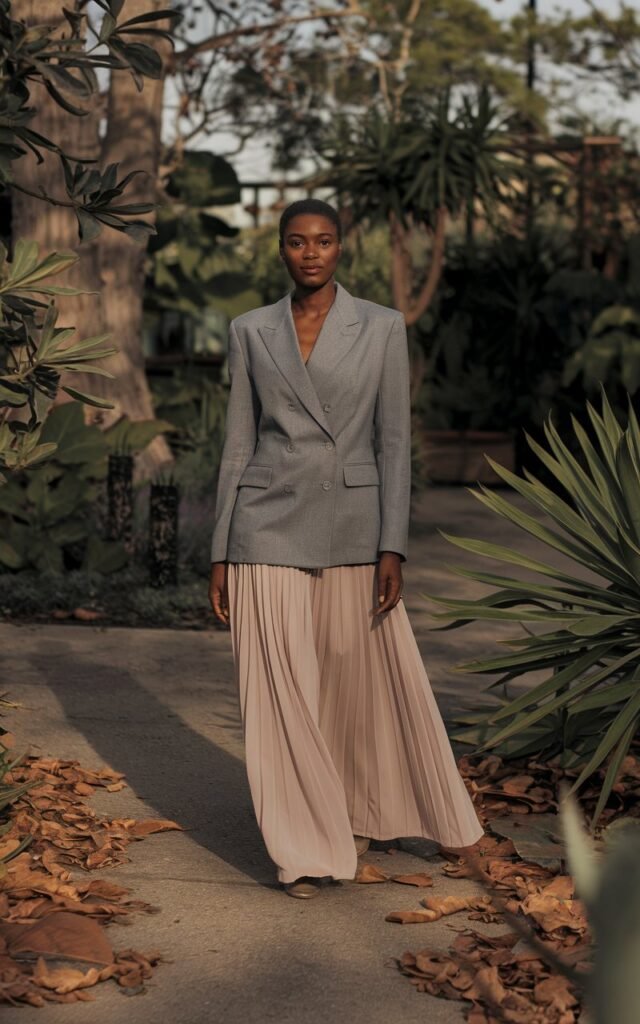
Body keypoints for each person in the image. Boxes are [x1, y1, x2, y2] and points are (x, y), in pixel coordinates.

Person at [209, 198, 484, 899]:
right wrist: (219, 550)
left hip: (354, 525)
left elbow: (393, 441)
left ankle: (360, 813)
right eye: (297, 241)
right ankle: (305, 851)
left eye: (324, 240)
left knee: (355, 685)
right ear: (280, 248)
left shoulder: (383, 326)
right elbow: (238, 443)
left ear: (341, 248)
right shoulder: (250, 329)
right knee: (281, 693)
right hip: (264, 524)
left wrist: (393, 545)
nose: (311, 253)